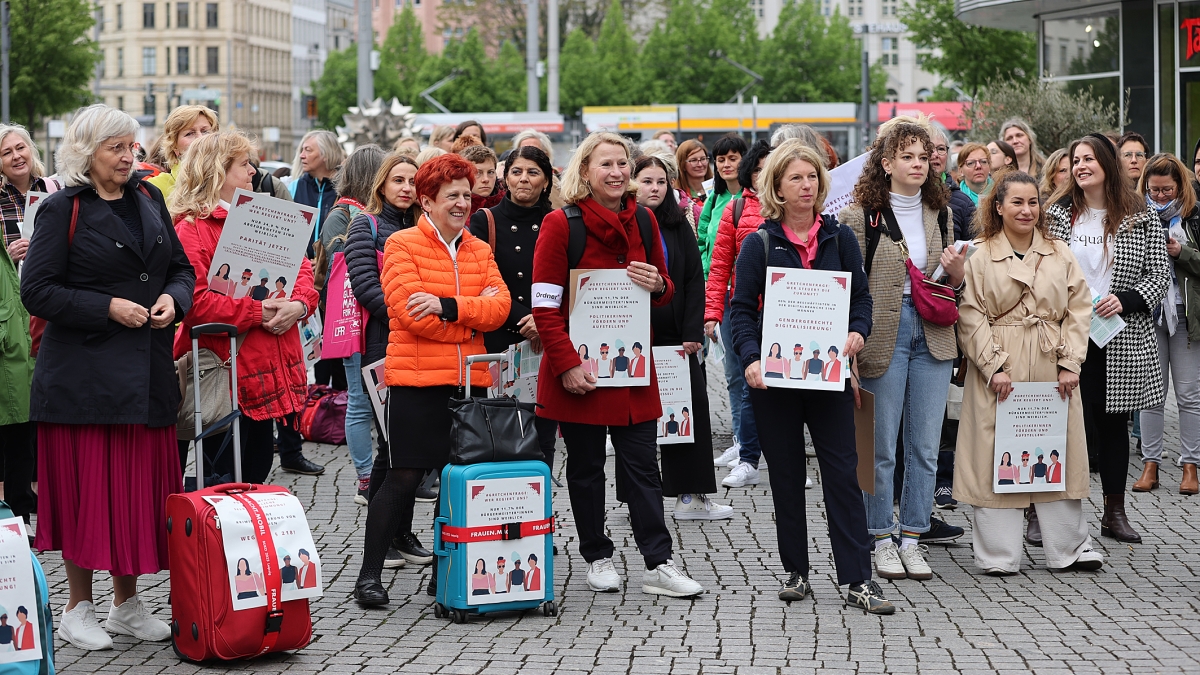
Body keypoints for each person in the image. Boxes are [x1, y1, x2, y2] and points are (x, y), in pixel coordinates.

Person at [20, 104, 195, 651]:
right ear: (85, 153)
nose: (128, 156)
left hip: (144, 374)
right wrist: (108, 307)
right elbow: (38, 290)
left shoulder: (150, 197)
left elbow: (180, 269)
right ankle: (77, 606)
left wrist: (173, 299)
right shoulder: (59, 208)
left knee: (137, 494)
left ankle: (127, 604)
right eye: (115, 147)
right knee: (87, 495)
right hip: (84, 380)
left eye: (131, 146)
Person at [532, 131, 703, 598]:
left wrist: (660, 284)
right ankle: (598, 555)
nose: (616, 172)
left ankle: (658, 562)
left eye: (622, 164)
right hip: (581, 373)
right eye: (605, 164)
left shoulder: (645, 221)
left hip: (631, 372)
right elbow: (544, 306)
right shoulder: (560, 224)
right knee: (585, 468)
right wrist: (566, 365)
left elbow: (664, 289)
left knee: (644, 468)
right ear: (584, 171)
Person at [731, 139, 893, 614]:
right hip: (775, 381)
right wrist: (750, 360)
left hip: (829, 377)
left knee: (844, 475)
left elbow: (860, 298)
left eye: (814, 177)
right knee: (785, 476)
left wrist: (858, 332)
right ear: (776, 186)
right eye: (796, 177)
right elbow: (739, 311)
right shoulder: (760, 243)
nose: (808, 185)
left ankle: (857, 578)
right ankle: (796, 571)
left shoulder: (839, 237)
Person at [352, 153, 510, 607]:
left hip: (469, 384)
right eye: (452, 196)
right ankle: (369, 576)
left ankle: (444, 571)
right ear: (427, 201)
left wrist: (448, 307)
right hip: (416, 382)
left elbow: (499, 309)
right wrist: (471, 316)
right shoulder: (402, 244)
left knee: (456, 479)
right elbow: (406, 313)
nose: (462, 203)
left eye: (467, 194)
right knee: (401, 478)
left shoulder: (479, 248)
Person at [955, 170, 1103, 575]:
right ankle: (999, 554)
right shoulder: (979, 254)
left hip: (1052, 361)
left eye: (1033, 202)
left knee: (1056, 447)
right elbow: (970, 315)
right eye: (1016, 202)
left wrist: (1071, 362)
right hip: (1001, 363)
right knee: (995, 452)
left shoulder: (1059, 251)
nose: (1026, 210)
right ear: (997, 207)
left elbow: (1079, 308)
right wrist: (992, 366)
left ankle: (1069, 548)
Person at [841, 121, 967, 581]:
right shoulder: (860, 217)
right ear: (887, 162)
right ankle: (879, 536)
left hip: (931, 334)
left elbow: (950, 286)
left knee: (925, 446)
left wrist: (954, 273)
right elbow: (851, 290)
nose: (919, 163)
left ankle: (913, 536)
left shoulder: (941, 211)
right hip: (882, 335)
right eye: (908, 156)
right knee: (879, 448)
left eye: (924, 156)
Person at [172, 130, 323, 484]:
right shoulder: (192, 228)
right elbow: (196, 304)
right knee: (224, 479)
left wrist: (299, 306)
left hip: (268, 368)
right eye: (244, 165)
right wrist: (261, 312)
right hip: (226, 376)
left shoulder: (269, 214)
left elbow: (303, 272)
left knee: (255, 471)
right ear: (216, 171)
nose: (254, 171)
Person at [1046, 133, 1169, 544]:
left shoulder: (1140, 214)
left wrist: (1127, 299)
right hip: (1066, 334)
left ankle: (1114, 512)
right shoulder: (1057, 214)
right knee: (1059, 425)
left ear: (1106, 164)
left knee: (1113, 426)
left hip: (1118, 336)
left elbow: (1159, 275)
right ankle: (1041, 512)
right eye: (1075, 160)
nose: (1080, 166)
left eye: (1088, 159)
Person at [632, 153, 732, 521]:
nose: (654, 188)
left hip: (678, 338)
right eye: (647, 181)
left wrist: (694, 332)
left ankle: (691, 497)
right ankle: (637, 498)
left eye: (661, 182)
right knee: (637, 424)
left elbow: (693, 280)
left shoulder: (679, 226)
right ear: (633, 184)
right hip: (634, 338)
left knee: (687, 415)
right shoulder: (623, 225)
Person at [346, 153, 431, 566]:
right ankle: (388, 537)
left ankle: (399, 533)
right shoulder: (365, 223)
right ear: (381, 184)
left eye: (413, 181)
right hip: (383, 344)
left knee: (401, 448)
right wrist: (406, 316)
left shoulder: (423, 227)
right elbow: (363, 283)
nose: (405, 187)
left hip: (423, 346)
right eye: (397, 179)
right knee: (392, 446)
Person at [468, 145, 561, 473]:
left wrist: (545, 320)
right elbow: (478, 280)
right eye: (517, 171)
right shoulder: (484, 220)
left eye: (533, 172)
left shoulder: (558, 221)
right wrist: (527, 317)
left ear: (546, 181)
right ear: (505, 178)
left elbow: (570, 278)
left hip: (546, 340)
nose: (524, 179)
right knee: (499, 437)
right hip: (500, 341)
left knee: (542, 437)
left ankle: (538, 513)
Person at [703, 140, 774, 486]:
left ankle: (780, 458)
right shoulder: (734, 209)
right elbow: (719, 267)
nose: (763, 175)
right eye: (757, 168)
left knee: (783, 388)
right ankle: (748, 457)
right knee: (746, 383)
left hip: (785, 311)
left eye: (769, 167)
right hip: (742, 310)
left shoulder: (792, 208)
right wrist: (712, 313)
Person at [1133, 153, 1200, 495]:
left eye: (1167, 190)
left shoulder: (1195, 215)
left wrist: (1182, 254)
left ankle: (1191, 466)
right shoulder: (1134, 216)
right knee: (1151, 394)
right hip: (1150, 313)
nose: (1159, 196)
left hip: (1186, 314)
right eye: (1154, 189)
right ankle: (1150, 464)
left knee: (1189, 394)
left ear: (1180, 187)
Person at [0, 162, 33, 524]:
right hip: (9, 327)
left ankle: (20, 514)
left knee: (21, 428)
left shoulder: (48, 189)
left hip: (21, 324)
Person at [0, 124, 62, 264]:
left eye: (20, 148)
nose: (16, 156)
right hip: (14, 285)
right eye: (7, 153)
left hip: (51, 282)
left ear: (30, 150)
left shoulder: (54, 189)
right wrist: (6, 258)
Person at [290, 129, 345, 256]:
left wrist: (322, 263)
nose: (301, 155)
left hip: (332, 270)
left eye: (308, 150)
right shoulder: (294, 187)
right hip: (301, 270)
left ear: (326, 154)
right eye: (302, 150)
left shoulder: (346, 189)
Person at [697, 134, 748, 273]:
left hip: (743, 283)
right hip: (714, 282)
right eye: (721, 160)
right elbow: (702, 239)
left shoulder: (755, 197)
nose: (726, 165)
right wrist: (705, 271)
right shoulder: (714, 198)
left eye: (732, 159)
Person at [145, 105, 218, 199]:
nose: (200, 138)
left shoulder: (230, 180)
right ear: (174, 146)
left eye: (205, 131)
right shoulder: (155, 187)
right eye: (190, 133)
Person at [930, 128, 975, 240]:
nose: (935, 154)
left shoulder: (964, 203)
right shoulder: (909, 196)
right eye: (929, 148)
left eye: (941, 149)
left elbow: (973, 250)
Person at [461, 144, 503, 214]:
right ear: (465, 175)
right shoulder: (457, 207)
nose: (485, 179)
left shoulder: (507, 205)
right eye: (477, 173)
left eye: (490, 172)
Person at [674, 139, 710, 204]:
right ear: (682, 165)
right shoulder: (677, 195)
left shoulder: (717, 189)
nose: (700, 164)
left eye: (703, 159)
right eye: (693, 160)